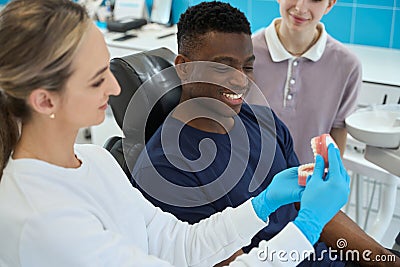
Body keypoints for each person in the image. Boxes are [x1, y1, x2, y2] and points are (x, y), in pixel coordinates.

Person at [0, 0, 351, 266]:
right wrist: (307, 227)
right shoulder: (41, 221)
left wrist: (261, 205)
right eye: (96, 79)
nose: (115, 88)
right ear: (45, 100)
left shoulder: (94, 162)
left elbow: (178, 242)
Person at [132, 2, 399, 267]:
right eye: (223, 67)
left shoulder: (263, 121)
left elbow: (312, 206)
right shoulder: (166, 171)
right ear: (184, 68)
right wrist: (308, 225)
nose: (240, 80)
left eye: (247, 67)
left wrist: (386, 261)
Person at [248, 0, 362, 164]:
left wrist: (328, 183)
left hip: (308, 182)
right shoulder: (245, 53)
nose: (300, 8)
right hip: (250, 181)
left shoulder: (347, 66)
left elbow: (338, 133)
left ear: (330, 4)